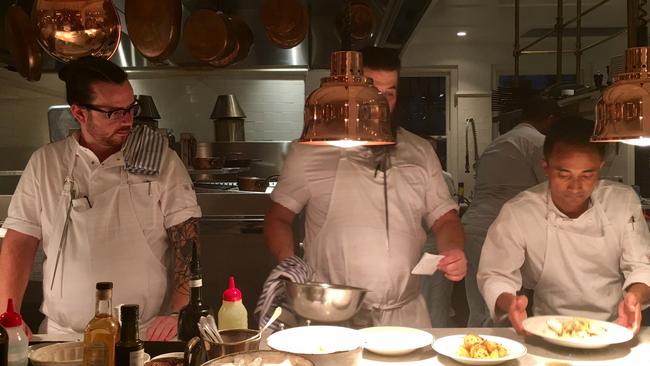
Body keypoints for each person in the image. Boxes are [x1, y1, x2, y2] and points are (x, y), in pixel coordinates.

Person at [0, 57, 202, 340]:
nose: (127, 120)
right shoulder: (46, 163)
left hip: (144, 335)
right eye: (113, 113)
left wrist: (182, 310)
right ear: (79, 114)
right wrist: (7, 314)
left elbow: (187, 236)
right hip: (64, 338)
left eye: (131, 108)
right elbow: (20, 240)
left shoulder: (160, 161)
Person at [264, 47, 466, 327]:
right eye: (373, 91)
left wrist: (454, 250)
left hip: (405, 315)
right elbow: (278, 218)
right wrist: (289, 265)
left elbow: (445, 219)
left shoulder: (420, 151)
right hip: (333, 316)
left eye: (390, 93)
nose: (382, 103)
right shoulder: (311, 151)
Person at [477, 116, 650, 335]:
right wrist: (511, 302)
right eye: (563, 174)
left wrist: (635, 298)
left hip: (614, 328)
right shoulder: (520, 211)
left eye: (587, 174)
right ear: (545, 168)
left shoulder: (622, 201)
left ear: (600, 167)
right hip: (545, 329)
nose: (575, 186)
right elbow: (496, 274)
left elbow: (641, 266)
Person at [462, 96, 559, 327]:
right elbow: (551, 189)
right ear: (550, 119)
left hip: (474, 226)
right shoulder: (539, 143)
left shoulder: (498, 142)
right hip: (502, 227)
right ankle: (488, 356)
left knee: (479, 305)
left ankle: (475, 354)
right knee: (506, 306)